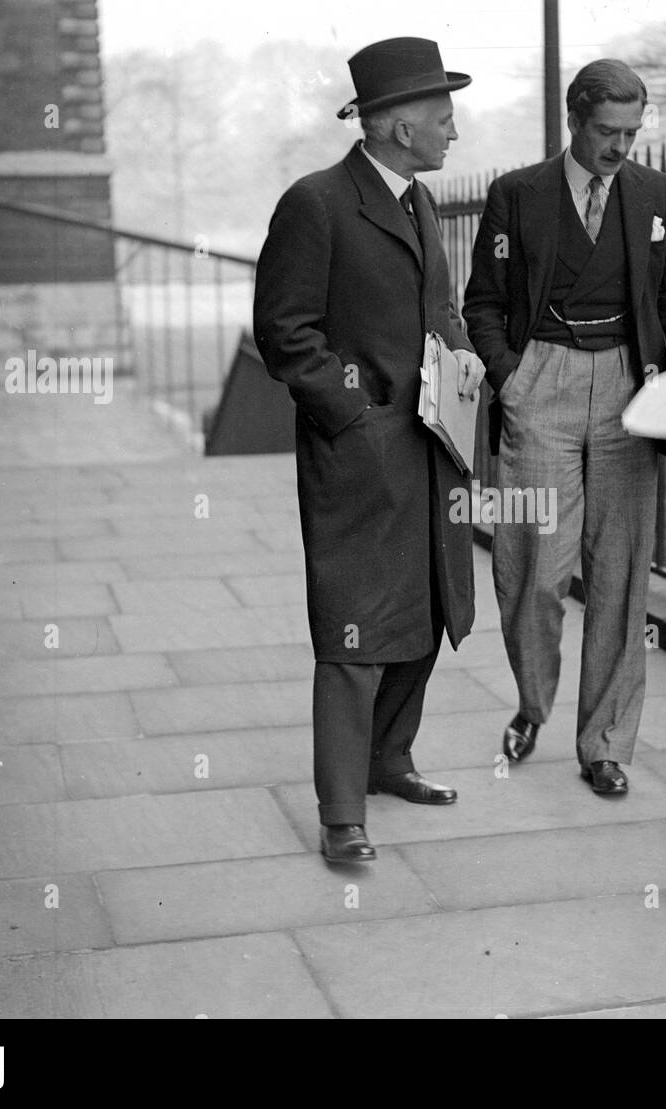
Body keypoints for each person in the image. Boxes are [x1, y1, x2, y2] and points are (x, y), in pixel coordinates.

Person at [253, 38, 486, 863]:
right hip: (357, 453)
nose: (453, 131)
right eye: (441, 118)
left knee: (425, 611)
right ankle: (341, 810)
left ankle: (390, 761)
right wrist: (352, 415)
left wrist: (465, 363)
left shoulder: (417, 200)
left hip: (428, 446)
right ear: (393, 126)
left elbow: (441, 308)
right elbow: (285, 333)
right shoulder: (315, 204)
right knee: (353, 630)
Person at [463, 58, 666, 796]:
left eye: (632, 132)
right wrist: (512, 375)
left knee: (620, 575)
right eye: (607, 131)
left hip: (631, 390)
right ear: (574, 119)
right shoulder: (518, 195)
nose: (620, 146)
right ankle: (534, 701)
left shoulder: (656, 193)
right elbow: (482, 303)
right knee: (534, 570)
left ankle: (604, 743)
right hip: (542, 379)